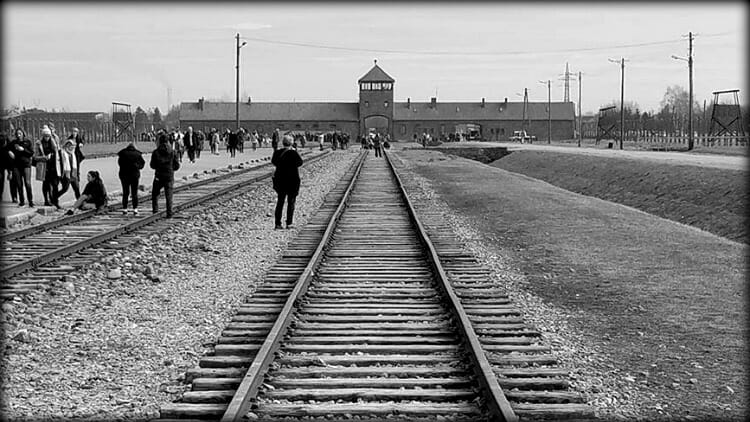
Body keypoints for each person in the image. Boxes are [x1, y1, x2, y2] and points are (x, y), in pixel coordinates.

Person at [271, 135, 303, 230]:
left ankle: (277, 224)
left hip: (280, 180)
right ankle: (289, 223)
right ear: (291, 143)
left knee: (280, 202)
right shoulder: (293, 153)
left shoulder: (277, 153)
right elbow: (300, 163)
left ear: (283, 142)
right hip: (292, 180)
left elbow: (274, 162)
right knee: (291, 202)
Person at [150, 133, 180, 218]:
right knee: (169, 195)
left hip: (159, 175)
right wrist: (171, 169)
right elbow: (177, 165)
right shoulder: (172, 152)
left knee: (155, 194)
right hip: (169, 175)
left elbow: (152, 165)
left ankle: (155, 211)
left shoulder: (156, 152)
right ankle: (169, 213)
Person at [34, 126, 61, 207]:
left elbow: (57, 152)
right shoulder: (39, 143)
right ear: (43, 135)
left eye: (48, 136)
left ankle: (55, 201)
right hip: (44, 166)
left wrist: (53, 155)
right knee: (46, 184)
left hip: (54, 166)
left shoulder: (53, 142)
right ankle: (46, 200)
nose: (47, 138)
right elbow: (35, 157)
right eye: (45, 136)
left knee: (55, 184)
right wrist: (44, 157)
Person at [117, 139, 146, 215]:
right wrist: (137, 167)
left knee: (125, 192)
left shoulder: (122, 154)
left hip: (124, 175)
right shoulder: (138, 154)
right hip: (134, 175)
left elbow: (119, 163)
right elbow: (142, 164)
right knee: (134, 192)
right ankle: (135, 209)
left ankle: (125, 208)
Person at [9, 129, 34, 207]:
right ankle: (22, 201)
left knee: (28, 183)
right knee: (19, 184)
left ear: (23, 134)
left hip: (26, 164)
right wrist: (10, 152)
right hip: (16, 165)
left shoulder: (28, 142)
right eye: (17, 134)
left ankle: (30, 201)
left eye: (20, 133)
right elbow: (6, 149)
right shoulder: (14, 142)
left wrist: (23, 150)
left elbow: (31, 153)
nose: (18, 135)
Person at [53, 139, 80, 206]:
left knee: (77, 188)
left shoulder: (73, 153)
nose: (72, 148)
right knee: (65, 189)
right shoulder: (62, 153)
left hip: (73, 173)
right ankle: (55, 198)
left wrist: (77, 173)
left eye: (73, 146)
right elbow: (59, 164)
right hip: (66, 174)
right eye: (71, 146)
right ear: (67, 146)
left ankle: (79, 203)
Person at [0, 132, 17, 204]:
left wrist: (10, 172)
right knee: (0, 179)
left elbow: (12, 159)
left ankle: (14, 197)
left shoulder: (10, 145)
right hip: (1, 163)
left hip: (10, 163)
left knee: (12, 180)